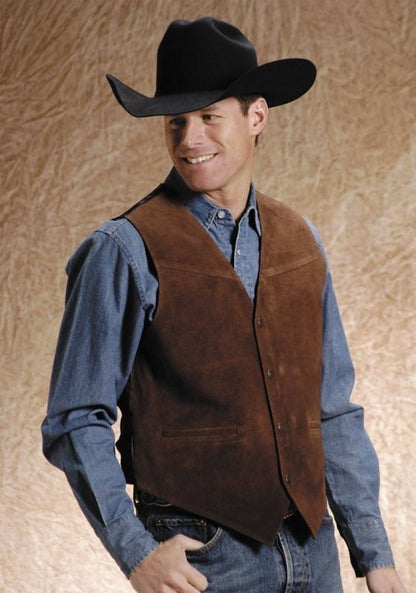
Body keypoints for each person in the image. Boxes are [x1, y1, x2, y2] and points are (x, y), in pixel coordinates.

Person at [41, 16, 408, 593]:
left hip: (315, 553)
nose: (190, 139)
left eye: (209, 116)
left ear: (256, 116)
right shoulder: (122, 250)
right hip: (206, 559)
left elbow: (331, 412)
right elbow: (75, 419)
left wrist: (375, 554)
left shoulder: (301, 241)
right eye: (176, 121)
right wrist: (137, 553)